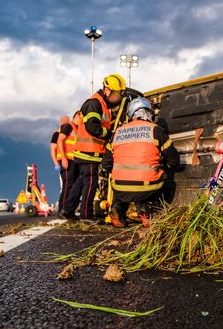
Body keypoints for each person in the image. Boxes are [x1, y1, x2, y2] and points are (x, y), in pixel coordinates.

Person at [101, 97, 180, 228]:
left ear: (131, 114)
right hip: (146, 186)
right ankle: (149, 210)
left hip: (120, 188)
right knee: (161, 175)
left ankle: (117, 208)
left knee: (120, 180)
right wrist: (163, 164)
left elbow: (106, 164)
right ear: (149, 112)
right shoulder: (155, 130)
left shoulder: (118, 132)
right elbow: (174, 160)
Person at [60, 74, 126, 222]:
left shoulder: (102, 103)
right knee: (90, 183)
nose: (118, 98)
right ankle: (86, 215)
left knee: (81, 182)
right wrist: (110, 135)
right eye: (116, 94)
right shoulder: (95, 103)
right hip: (88, 152)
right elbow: (92, 127)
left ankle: (67, 210)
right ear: (107, 90)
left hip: (88, 152)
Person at [56, 112, 80, 212]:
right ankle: (62, 209)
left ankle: (68, 210)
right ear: (77, 116)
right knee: (67, 185)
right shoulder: (68, 126)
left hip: (74, 161)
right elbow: (60, 140)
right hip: (67, 160)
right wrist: (64, 158)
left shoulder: (76, 128)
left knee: (73, 185)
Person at [51, 115, 69, 209]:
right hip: (62, 161)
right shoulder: (57, 134)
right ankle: (63, 207)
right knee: (64, 184)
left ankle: (66, 206)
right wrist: (56, 163)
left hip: (70, 160)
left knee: (68, 184)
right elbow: (53, 149)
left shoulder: (70, 132)